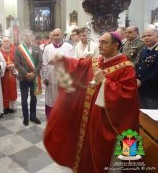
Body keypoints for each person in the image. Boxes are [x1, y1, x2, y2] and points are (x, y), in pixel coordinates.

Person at [44, 31, 139, 173]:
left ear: (115, 45)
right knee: (86, 150)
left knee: (102, 156)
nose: (99, 45)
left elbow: (127, 97)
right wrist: (63, 59)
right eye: (99, 41)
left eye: (104, 42)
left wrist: (105, 82)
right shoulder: (96, 61)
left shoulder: (127, 68)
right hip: (88, 117)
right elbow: (79, 64)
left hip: (107, 122)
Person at [41, 28, 73, 118]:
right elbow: (44, 63)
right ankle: (51, 116)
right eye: (54, 35)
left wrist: (62, 60)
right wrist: (45, 78)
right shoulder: (47, 48)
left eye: (58, 35)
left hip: (64, 78)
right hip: (51, 78)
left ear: (62, 35)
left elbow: (73, 61)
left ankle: (63, 116)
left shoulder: (69, 47)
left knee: (64, 98)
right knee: (51, 97)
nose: (56, 37)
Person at [15, 29, 42, 126]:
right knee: (24, 98)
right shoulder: (19, 48)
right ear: (23, 38)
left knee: (34, 98)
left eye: (30, 36)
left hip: (34, 78)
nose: (28, 38)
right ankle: (26, 117)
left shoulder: (37, 48)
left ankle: (33, 116)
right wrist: (26, 74)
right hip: (23, 77)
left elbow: (40, 62)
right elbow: (17, 64)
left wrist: (33, 74)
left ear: (33, 37)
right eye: (26, 36)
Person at [136, 28, 158, 109]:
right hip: (142, 90)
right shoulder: (144, 50)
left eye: (149, 35)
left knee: (153, 117)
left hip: (153, 91)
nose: (146, 38)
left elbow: (156, 72)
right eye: (144, 36)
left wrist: (142, 82)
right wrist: (136, 79)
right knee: (143, 116)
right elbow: (139, 67)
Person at [0, 36, 17, 114]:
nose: (6, 42)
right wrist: (5, 66)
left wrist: (14, 65)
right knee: (4, 90)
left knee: (12, 89)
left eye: (8, 41)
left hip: (12, 74)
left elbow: (17, 61)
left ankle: (11, 107)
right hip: (3, 75)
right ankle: (5, 107)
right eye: (5, 41)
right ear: (2, 43)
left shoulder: (13, 51)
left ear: (10, 42)